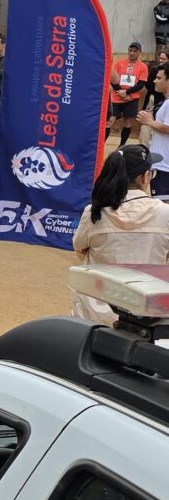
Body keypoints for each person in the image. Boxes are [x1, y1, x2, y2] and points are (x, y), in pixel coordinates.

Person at [72, 142, 169, 323]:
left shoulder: (95, 212)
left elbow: (80, 250)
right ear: (144, 177)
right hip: (144, 318)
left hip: (94, 315)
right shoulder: (165, 214)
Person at [138, 64, 169, 197]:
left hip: (164, 166)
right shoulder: (165, 102)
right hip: (161, 164)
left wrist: (149, 122)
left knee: (163, 204)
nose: (154, 81)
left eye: (159, 78)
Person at [110, 42, 148, 147]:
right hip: (116, 97)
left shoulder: (143, 66)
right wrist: (120, 92)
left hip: (131, 98)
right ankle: (100, 145)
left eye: (135, 51)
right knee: (110, 120)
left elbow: (141, 84)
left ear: (139, 52)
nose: (132, 53)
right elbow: (112, 79)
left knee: (127, 122)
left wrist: (127, 92)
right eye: (130, 50)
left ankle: (121, 146)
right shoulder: (119, 63)